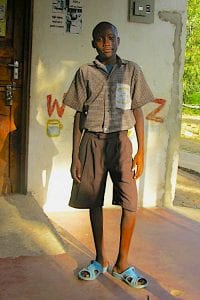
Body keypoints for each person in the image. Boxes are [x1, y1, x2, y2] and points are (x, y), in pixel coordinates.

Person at [63, 21, 154, 288]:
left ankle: (122, 263)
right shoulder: (84, 72)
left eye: (111, 38)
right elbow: (79, 115)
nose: (106, 42)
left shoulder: (131, 70)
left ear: (118, 41)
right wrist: (75, 156)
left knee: (130, 203)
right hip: (91, 142)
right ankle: (100, 259)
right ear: (94, 43)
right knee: (94, 200)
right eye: (100, 38)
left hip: (121, 144)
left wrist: (141, 152)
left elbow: (137, 111)